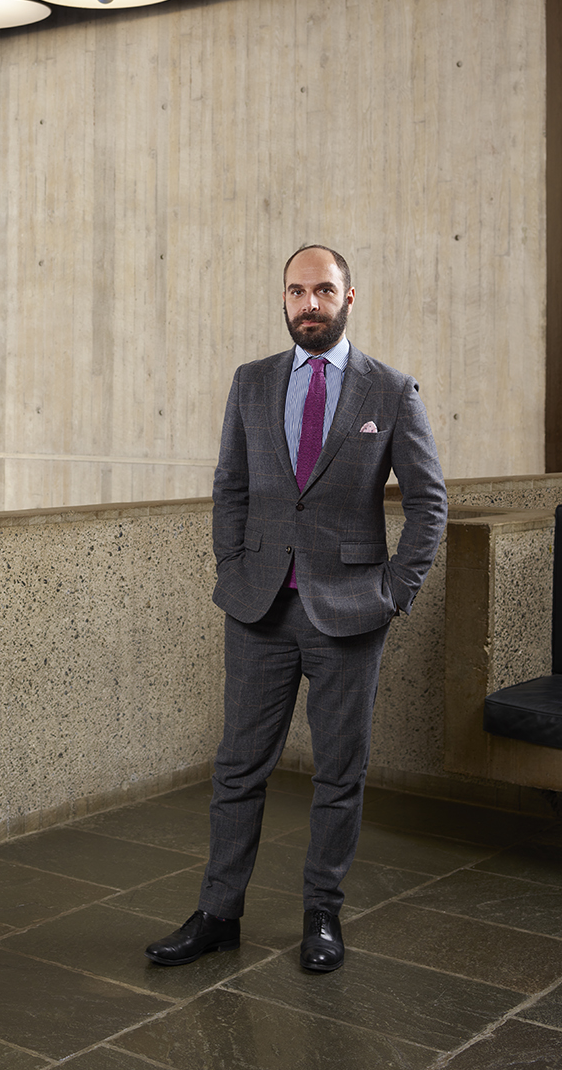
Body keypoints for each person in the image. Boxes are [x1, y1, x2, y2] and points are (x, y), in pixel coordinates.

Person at [145, 246, 446, 974]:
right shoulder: (250, 383)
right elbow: (231, 487)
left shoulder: (390, 391)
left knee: (338, 774)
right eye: (295, 292)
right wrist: (230, 569)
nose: (307, 304)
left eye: (322, 291)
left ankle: (321, 914)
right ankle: (218, 913)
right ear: (283, 300)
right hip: (258, 611)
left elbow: (429, 503)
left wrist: (393, 592)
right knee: (238, 768)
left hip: (348, 613)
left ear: (349, 298)